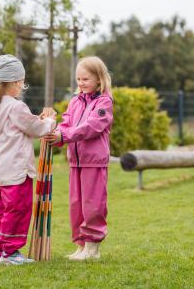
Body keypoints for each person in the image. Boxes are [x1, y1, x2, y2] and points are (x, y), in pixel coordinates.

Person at [0, 54, 56, 265]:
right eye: (21, 81)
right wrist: (50, 119)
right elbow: (37, 128)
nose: (22, 85)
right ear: (15, 82)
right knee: (18, 210)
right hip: (17, 172)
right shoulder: (16, 107)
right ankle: (11, 253)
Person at [44, 56, 113, 260]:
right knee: (77, 205)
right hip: (76, 162)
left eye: (86, 79)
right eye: (78, 79)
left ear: (99, 79)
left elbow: (92, 127)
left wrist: (64, 136)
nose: (81, 84)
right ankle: (81, 246)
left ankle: (93, 248)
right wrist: (55, 135)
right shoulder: (75, 101)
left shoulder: (104, 102)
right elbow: (66, 123)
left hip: (94, 161)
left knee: (93, 204)